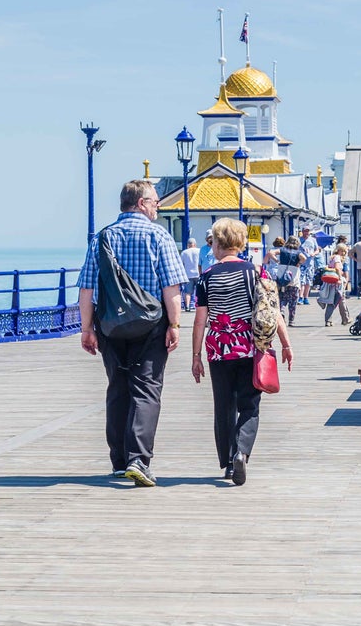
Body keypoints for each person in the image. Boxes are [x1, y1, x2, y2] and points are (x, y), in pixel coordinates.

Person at [77, 179, 186, 487]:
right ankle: (138, 459)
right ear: (140, 203)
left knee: (118, 388)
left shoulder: (103, 237)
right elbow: (171, 287)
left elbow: (87, 289)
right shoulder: (158, 236)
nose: (157, 206)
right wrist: (175, 325)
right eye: (154, 202)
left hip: (110, 325)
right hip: (151, 325)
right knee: (147, 389)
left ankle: (120, 460)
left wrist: (87, 329)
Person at [191, 218, 294, 486]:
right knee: (249, 404)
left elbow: (200, 320)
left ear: (217, 244)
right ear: (240, 242)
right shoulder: (257, 272)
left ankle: (227, 462)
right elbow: (272, 311)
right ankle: (242, 452)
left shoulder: (206, 277)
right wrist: (286, 344)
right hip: (250, 347)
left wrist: (195, 356)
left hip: (218, 350)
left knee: (224, 406)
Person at [270, 236, 306, 325]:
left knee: (282, 297)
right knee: (293, 300)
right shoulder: (298, 253)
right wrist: (299, 263)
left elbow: (271, 252)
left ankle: (281, 311)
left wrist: (276, 260)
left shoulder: (282, 250)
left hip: (282, 278)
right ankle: (291, 320)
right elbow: (304, 258)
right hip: (293, 279)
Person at [319, 243, 351, 327]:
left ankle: (343, 319)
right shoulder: (337, 258)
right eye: (343, 251)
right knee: (337, 300)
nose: (344, 253)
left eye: (345, 251)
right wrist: (340, 278)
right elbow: (337, 268)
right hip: (336, 283)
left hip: (332, 283)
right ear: (339, 250)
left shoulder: (332, 258)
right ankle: (343, 319)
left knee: (336, 301)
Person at [298, 227, 319, 305]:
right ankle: (300, 297)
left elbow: (317, 250)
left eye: (308, 231)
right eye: (305, 231)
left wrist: (313, 253)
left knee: (308, 282)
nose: (306, 232)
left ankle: (306, 298)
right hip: (301, 264)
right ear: (302, 231)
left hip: (310, 264)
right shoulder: (299, 240)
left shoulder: (313, 240)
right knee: (301, 281)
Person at [179, 238, 201, 312]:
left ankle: (187, 307)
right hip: (198, 274)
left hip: (188, 275)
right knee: (199, 292)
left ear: (188, 245)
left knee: (187, 292)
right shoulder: (199, 251)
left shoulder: (184, 253)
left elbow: (181, 264)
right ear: (195, 244)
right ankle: (199, 305)